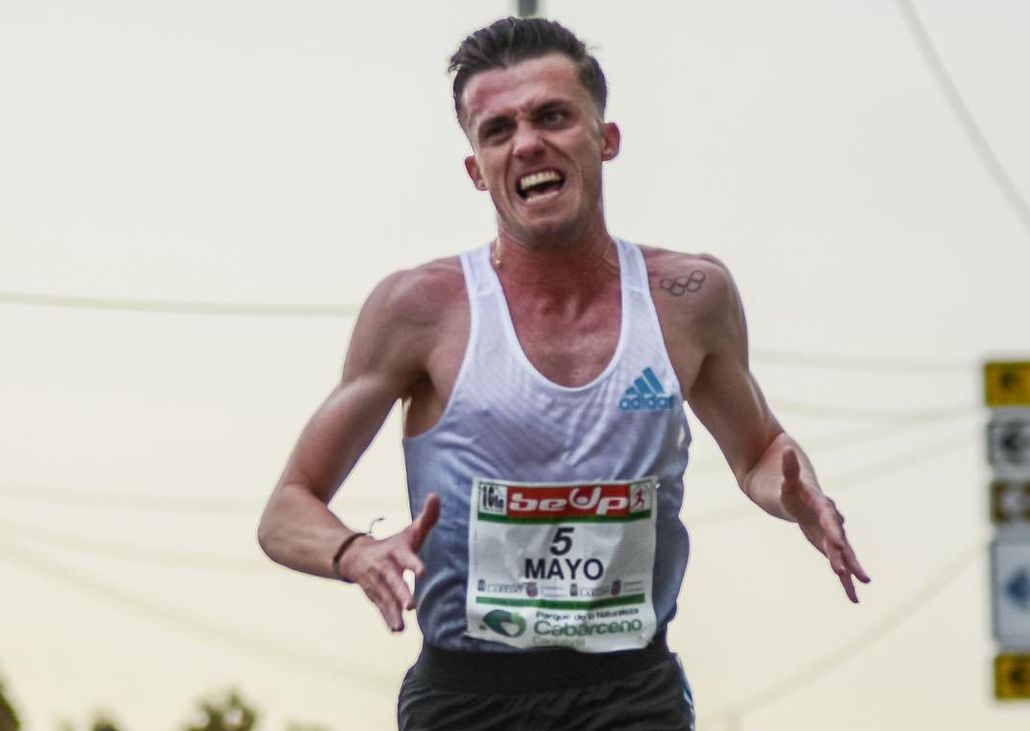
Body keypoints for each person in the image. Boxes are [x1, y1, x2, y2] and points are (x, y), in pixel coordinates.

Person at [258, 16, 870, 731]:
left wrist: (800, 496)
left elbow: (760, 450)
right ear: (476, 169)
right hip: (469, 698)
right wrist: (355, 551)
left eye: (552, 116)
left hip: (632, 692)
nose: (526, 144)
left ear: (605, 139)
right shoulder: (419, 309)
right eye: (498, 130)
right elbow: (286, 508)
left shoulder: (689, 297)